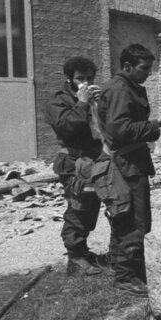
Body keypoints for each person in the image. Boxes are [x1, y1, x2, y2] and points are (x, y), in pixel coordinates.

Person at [98, 44, 161, 296]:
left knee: (124, 216)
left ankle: (122, 265)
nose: (148, 73)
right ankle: (127, 275)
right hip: (128, 164)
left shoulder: (126, 87)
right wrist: (160, 123)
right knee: (135, 219)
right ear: (127, 67)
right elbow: (120, 130)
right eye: (144, 68)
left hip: (132, 160)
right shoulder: (119, 90)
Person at [46, 57, 110, 277]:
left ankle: (83, 251)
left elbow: (104, 127)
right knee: (78, 207)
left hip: (94, 160)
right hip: (74, 163)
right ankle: (75, 258)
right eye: (80, 79)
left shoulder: (92, 97)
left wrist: (102, 104)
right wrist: (81, 103)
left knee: (91, 206)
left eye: (89, 78)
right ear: (69, 79)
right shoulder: (59, 99)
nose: (85, 82)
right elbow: (66, 128)